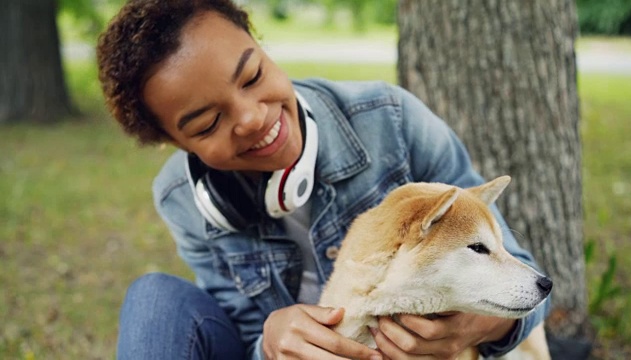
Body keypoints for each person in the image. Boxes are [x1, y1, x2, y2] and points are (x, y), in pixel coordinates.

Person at [96, 1, 551, 359]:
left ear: (261, 44)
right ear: (176, 143)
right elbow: (242, 335)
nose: (253, 118)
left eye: (253, 76)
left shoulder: (391, 120)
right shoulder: (180, 198)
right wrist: (270, 341)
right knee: (153, 299)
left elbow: (516, 269)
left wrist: (481, 325)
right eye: (207, 123)